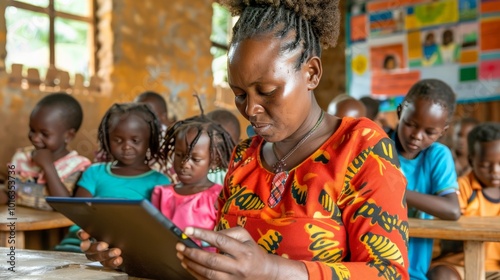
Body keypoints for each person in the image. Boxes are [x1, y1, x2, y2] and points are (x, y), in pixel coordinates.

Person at [80, 1, 410, 279]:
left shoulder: (360, 147)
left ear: (311, 73)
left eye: (266, 91)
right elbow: (219, 260)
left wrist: (272, 269)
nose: (250, 109)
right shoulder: (245, 158)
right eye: (239, 94)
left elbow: (389, 272)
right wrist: (136, 257)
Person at [55, 103, 171, 252]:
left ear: (150, 140)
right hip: (78, 244)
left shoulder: (159, 182)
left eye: (135, 140)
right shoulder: (94, 172)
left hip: (125, 251)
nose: (126, 146)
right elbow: (79, 214)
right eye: (118, 140)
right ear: (107, 140)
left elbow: (158, 228)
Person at [390, 78, 461, 280]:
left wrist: (398, 190)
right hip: (376, 267)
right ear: (399, 112)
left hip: (414, 271)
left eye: (430, 132)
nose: (417, 136)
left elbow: (453, 210)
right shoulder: (379, 146)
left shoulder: (437, 156)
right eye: (411, 125)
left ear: (443, 131)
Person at [428, 122, 500, 280]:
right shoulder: (462, 188)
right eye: (485, 165)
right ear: (471, 161)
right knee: (442, 275)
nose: (495, 171)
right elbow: (451, 233)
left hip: (496, 268)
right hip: (460, 264)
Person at [1, 93, 91, 210]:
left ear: (68, 136)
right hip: (17, 225)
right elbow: (9, 194)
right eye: (32, 130)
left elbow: (66, 206)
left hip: (51, 228)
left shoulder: (77, 167)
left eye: (44, 134)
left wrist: (48, 167)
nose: (35, 138)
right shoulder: (21, 157)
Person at [151, 114, 234, 242]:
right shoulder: (161, 193)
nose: (184, 164)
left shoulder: (220, 197)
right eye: (179, 155)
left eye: (195, 159)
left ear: (213, 161)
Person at [206, 108, 241, 185]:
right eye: (210, 145)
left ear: (238, 145)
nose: (217, 152)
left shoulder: (238, 174)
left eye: (224, 146)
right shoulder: (196, 169)